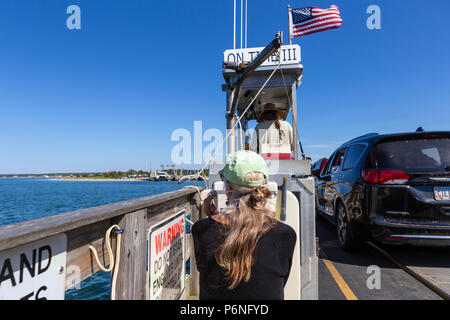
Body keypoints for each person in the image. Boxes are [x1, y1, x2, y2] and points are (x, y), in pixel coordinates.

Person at [192, 150, 296, 300]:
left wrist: (210, 219)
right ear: (263, 186)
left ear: (227, 187)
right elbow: (277, 282)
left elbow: (207, 270)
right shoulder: (285, 234)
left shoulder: (201, 229)